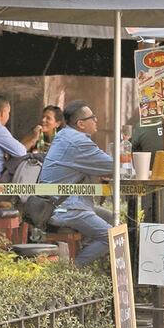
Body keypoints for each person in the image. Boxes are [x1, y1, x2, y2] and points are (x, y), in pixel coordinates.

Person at [38, 101, 115, 267]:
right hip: (65, 208)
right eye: (92, 117)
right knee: (112, 236)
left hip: (57, 203)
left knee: (112, 218)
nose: (96, 120)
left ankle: (86, 262)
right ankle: (73, 270)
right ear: (81, 124)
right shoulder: (78, 142)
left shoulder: (64, 135)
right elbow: (113, 167)